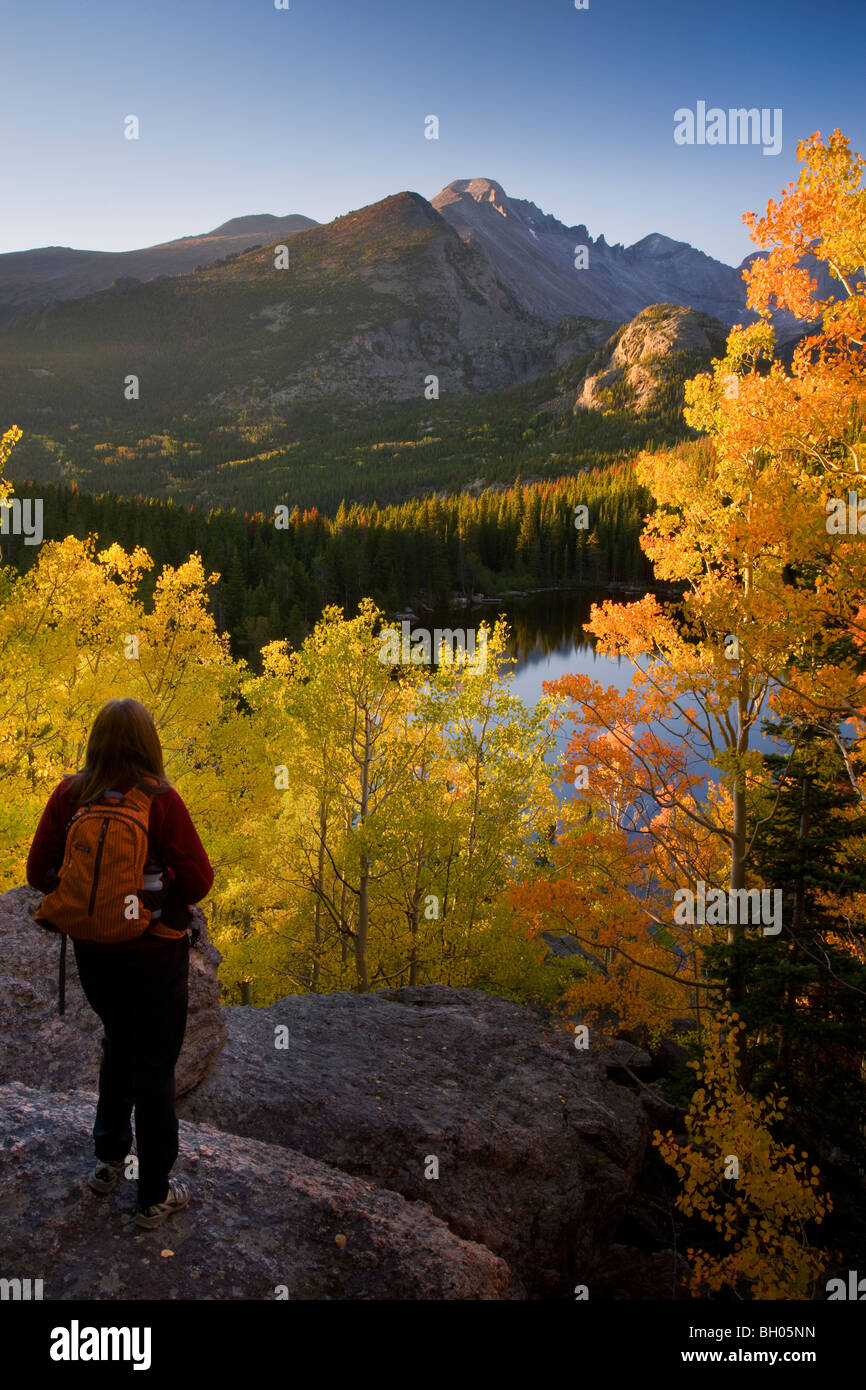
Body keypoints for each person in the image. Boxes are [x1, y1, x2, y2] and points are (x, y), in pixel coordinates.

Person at [26, 697, 214, 1229]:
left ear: (95, 740)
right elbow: (198, 880)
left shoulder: (70, 794)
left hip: (96, 952)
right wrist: (163, 901)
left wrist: (90, 898)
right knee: (155, 1066)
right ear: (149, 743)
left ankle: (108, 1162)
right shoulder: (160, 798)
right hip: (154, 953)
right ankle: (153, 1193)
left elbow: (39, 871)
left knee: (118, 1042)